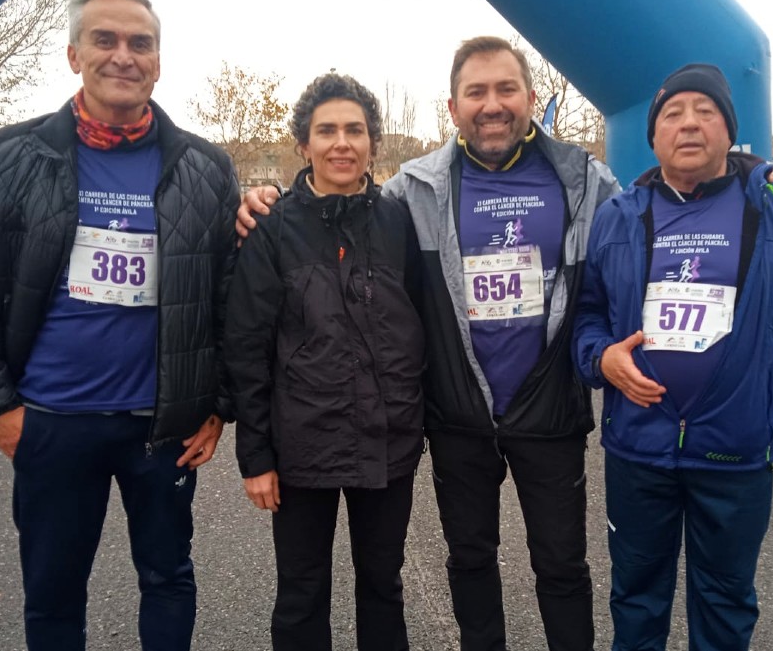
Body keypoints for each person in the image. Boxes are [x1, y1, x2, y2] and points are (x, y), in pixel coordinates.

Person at [239, 36, 620, 651]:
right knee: (468, 561)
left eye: (506, 89)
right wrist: (258, 202)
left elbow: (652, 219)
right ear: (453, 107)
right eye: (476, 92)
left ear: (530, 98)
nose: (491, 104)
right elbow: (325, 216)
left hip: (547, 414)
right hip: (457, 420)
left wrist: (749, 178)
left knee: (562, 567)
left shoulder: (584, 182)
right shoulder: (413, 191)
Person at [0, 0, 238, 648]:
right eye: (105, 39)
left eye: (140, 43)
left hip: (162, 427)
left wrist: (218, 404)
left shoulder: (206, 168)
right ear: (75, 54)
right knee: (53, 594)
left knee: (168, 578)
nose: (123, 55)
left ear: (158, 61)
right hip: (51, 420)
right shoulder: (11, 157)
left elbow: (229, 296)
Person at [572, 63, 773, 651]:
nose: (689, 124)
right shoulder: (619, 215)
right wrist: (601, 359)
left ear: (729, 129)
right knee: (635, 596)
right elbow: (587, 315)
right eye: (672, 113)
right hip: (639, 446)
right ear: (653, 135)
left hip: (735, 449)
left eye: (705, 111)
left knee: (725, 600)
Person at [225, 74, 424, 651]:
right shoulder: (271, 229)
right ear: (303, 144)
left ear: (373, 143)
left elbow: (423, 329)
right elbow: (246, 347)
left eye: (354, 130)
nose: (342, 143)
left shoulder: (399, 223)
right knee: (301, 592)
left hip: (388, 441)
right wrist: (255, 456)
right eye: (327, 130)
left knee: (383, 585)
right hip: (301, 447)